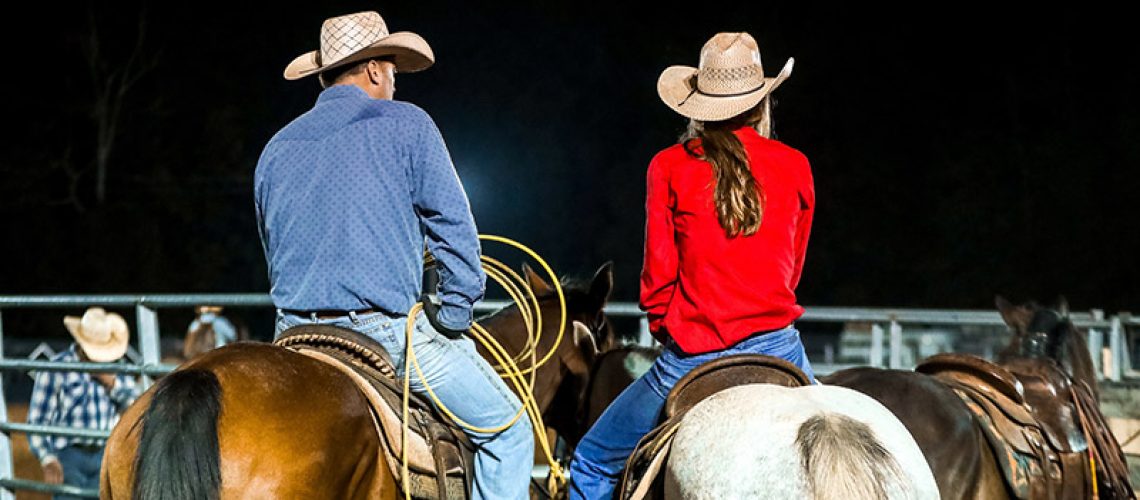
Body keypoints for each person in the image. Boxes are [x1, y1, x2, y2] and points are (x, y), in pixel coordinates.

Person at [254, 11, 533, 499]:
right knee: (509, 432)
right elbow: (453, 229)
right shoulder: (407, 125)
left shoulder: (276, 148)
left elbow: (272, 246)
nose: (395, 86)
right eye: (394, 74)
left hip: (293, 334)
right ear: (375, 70)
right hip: (382, 334)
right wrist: (454, 311)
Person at [568, 32, 818, 499]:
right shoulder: (795, 164)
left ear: (699, 105)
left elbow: (657, 281)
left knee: (592, 463)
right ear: (761, 102)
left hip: (694, 354)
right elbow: (793, 267)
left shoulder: (669, 166)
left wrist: (670, 327)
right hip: (781, 349)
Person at [27, 307, 141, 498]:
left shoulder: (115, 368)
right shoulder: (56, 368)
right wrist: (47, 458)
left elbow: (137, 404)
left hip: (106, 454)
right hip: (69, 455)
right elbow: (37, 420)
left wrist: (112, 384)